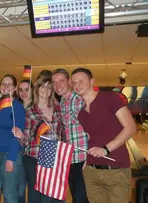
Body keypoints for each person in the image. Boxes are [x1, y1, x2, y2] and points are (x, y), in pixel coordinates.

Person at [71, 68, 136, 203]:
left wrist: (106, 149)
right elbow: (92, 138)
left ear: (92, 81)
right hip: (92, 172)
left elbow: (130, 128)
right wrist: (87, 160)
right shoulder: (81, 114)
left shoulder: (110, 98)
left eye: (81, 81)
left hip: (116, 170)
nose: (77, 85)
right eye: (74, 82)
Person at [13, 76, 64, 203]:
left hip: (55, 158)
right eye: (42, 86)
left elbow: (63, 134)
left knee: (54, 194)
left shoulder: (59, 109)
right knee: (35, 195)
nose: (45, 90)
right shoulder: (30, 111)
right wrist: (20, 136)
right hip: (34, 157)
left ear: (52, 90)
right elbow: (27, 139)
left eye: (49, 87)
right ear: (37, 89)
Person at [0, 74, 26, 203]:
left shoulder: (17, 107)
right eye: (3, 84)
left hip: (9, 154)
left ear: (14, 88)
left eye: (9, 84)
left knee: (9, 193)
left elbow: (17, 133)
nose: (6, 87)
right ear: (0, 87)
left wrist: (11, 158)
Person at [52, 68, 89, 203]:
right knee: (76, 197)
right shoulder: (62, 102)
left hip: (83, 158)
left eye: (61, 81)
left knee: (81, 198)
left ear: (69, 82)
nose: (58, 85)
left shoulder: (81, 99)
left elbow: (93, 128)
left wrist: (90, 158)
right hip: (70, 159)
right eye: (54, 82)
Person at [16, 79, 34, 203]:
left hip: (33, 153)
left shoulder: (37, 108)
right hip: (18, 151)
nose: (23, 93)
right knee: (20, 188)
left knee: (33, 189)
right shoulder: (15, 107)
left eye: (27, 89)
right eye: (21, 90)